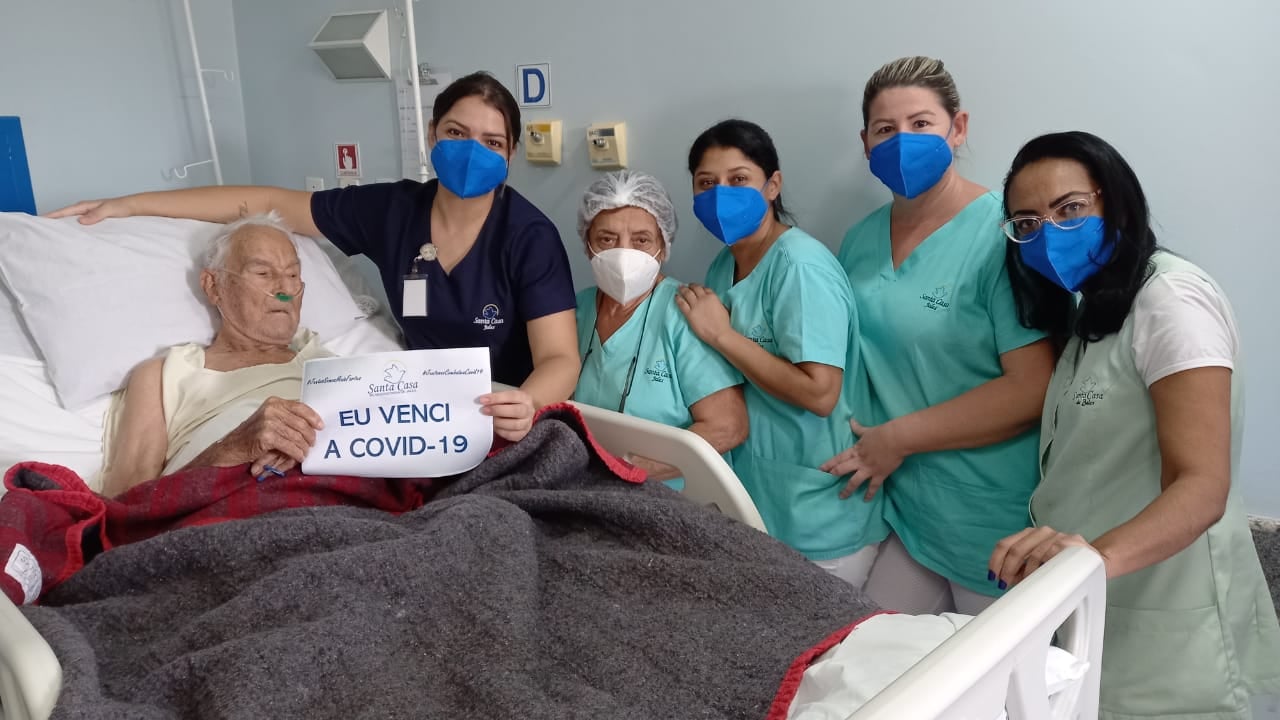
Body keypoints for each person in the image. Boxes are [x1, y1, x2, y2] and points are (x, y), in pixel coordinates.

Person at [50, 71, 578, 444]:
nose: (471, 151)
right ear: (432, 135)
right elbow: (266, 202)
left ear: (510, 154)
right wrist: (128, 205)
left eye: (491, 142)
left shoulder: (528, 236)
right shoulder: (392, 210)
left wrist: (526, 404)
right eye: (456, 134)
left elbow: (560, 359)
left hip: (504, 408)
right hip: (421, 405)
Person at [987, 130, 1280, 719]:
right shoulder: (1094, 310)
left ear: (1116, 202)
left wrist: (1088, 560)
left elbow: (1201, 486)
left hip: (1170, 626)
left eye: (1070, 209)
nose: (1049, 234)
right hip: (1103, 603)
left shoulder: (1171, 299)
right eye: (1027, 223)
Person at [821, 57, 1055, 613]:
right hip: (905, 511)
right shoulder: (859, 241)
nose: (903, 141)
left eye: (921, 123)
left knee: (993, 667)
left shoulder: (1003, 236)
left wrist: (897, 439)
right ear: (865, 143)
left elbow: (1032, 389)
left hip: (993, 518)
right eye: (885, 129)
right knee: (871, 655)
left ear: (959, 127)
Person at [677, 119, 887, 586]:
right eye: (706, 183)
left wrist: (723, 335)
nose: (721, 194)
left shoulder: (799, 267)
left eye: (738, 179)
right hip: (762, 501)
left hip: (819, 511)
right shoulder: (724, 264)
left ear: (772, 185)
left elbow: (820, 394)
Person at [101, 213, 328, 497]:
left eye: (293, 275)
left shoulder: (333, 365)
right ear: (213, 286)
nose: (284, 291)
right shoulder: (163, 376)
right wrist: (232, 449)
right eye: (263, 274)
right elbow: (129, 502)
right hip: (227, 509)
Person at [572, 170, 748, 486]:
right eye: (607, 239)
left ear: (663, 247)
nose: (624, 253)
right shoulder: (575, 311)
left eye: (641, 240)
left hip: (669, 496)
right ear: (588, 246)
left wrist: (628, 469)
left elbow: (727, 426)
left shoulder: (686, 313)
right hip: (584, 485)